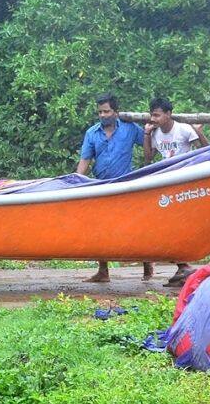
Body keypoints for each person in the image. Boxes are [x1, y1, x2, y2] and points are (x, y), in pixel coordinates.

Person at [75, 93, 149, 283]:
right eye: (100, 112)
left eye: (106, 111)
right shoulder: (92, 133)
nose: (102, 115)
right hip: (101, 186)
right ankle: (103, 271)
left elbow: (149, 145)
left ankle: (147, 263)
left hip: (126, 186)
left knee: (134, 227)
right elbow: (85, 161)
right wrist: (76, 182)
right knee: (100, 228)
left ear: (116, 112)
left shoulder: (130, 128)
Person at [143, 97, 209, 286]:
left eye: (157, 115)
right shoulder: (155, 134)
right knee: (167, 226)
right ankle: (182, 266)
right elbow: (148, 159)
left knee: (175, 226)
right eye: (152, 115)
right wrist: (147, 135)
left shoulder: (183, 129)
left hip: (185, 185)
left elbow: (206, 150)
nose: (154, 119)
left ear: (168, 114)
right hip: (167, 184)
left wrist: (198, 132)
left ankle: (183, 265)